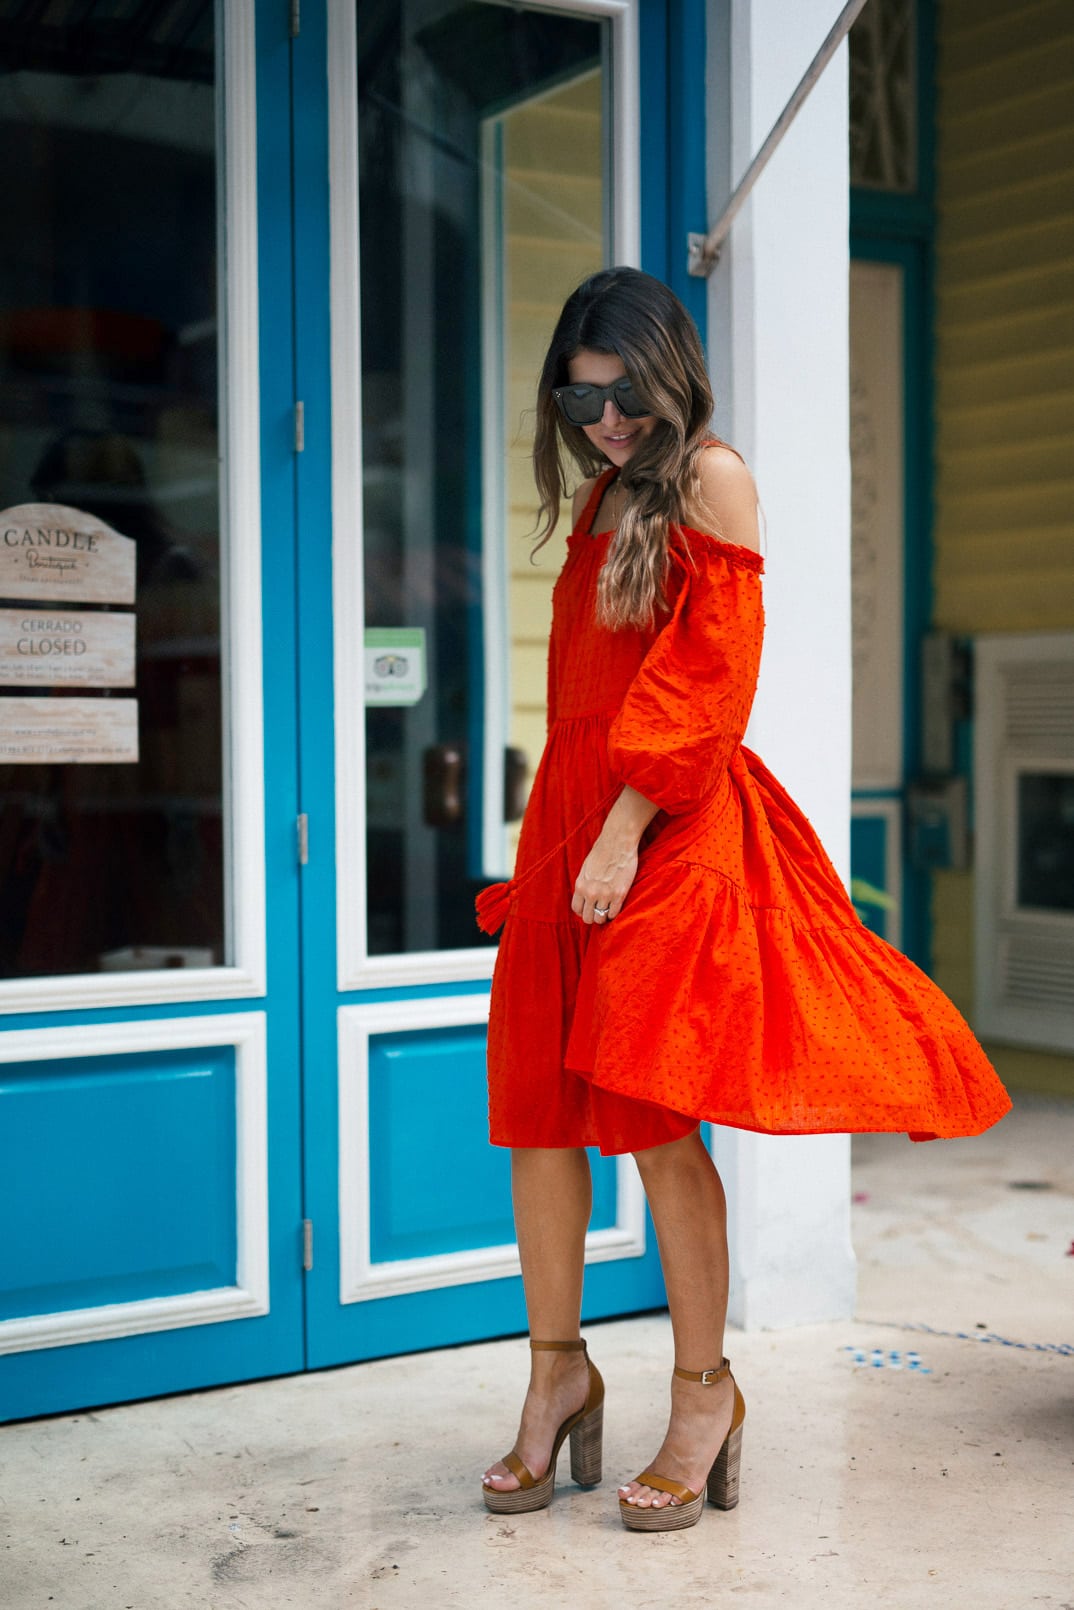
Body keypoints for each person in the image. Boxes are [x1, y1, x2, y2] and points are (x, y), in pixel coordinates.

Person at [475, 267, 1010, 1532]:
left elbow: (711, 674)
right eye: (580, 395)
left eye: (624, 395)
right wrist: (566, 831)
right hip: (575, 820)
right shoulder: (606, 492)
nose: (604, 420)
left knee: (658, 1119)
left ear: (671, 372)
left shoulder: (715, 477)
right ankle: (558, 1370)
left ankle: (706, 1390)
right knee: (539, 1112)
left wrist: (620, 831)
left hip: (664, 821)